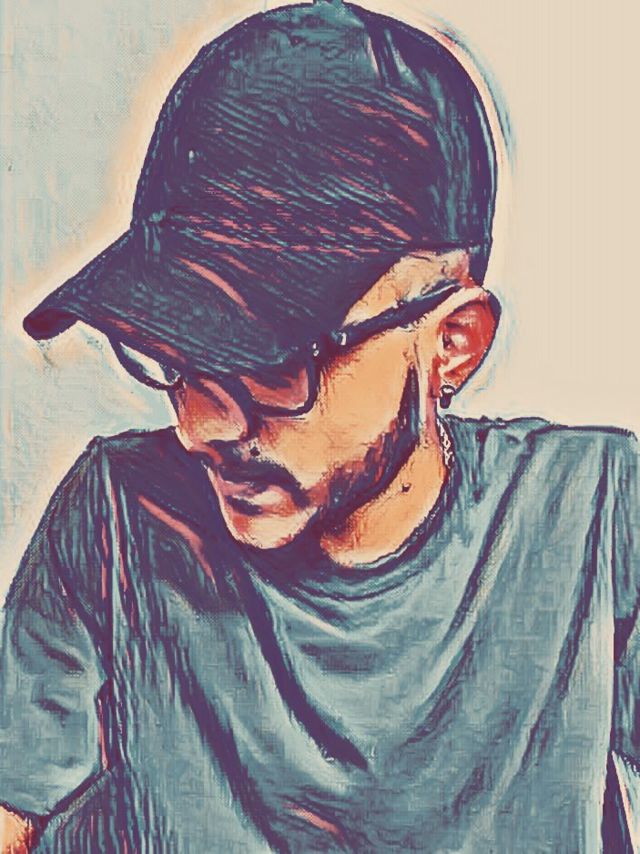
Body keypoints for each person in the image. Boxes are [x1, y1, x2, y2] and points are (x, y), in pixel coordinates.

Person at [1, 1, 638, 851]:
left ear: (453, 342)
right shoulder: (119, 518)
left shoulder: (595, 518)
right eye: (176, 354)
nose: (200, 426)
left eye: (275, 361)